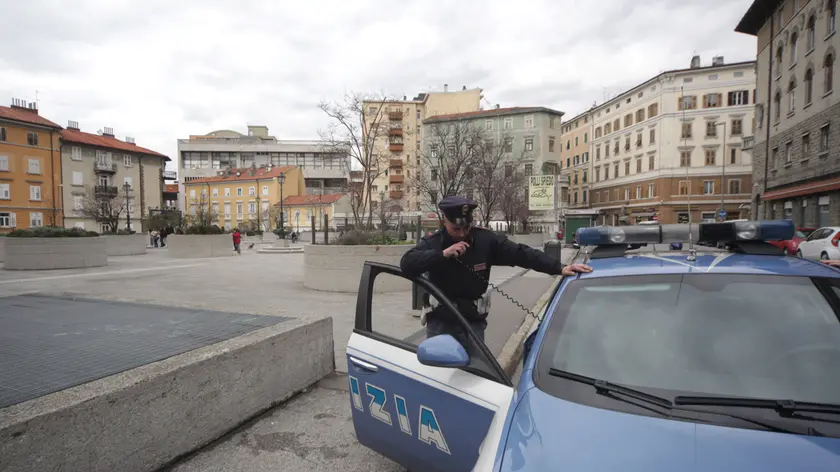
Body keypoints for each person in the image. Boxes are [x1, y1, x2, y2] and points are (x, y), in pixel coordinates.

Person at [400, 195, 593, 348]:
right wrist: (442, 254)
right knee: (439, 376)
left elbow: (521, 254)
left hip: (473, 323)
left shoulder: (485, 240)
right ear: (444, 221)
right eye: (455, 228)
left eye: (466, 227)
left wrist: (559, 267)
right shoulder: (433, 243)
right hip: (441, 323)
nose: (461, 233)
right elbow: (407, 263)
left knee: (475, 376)